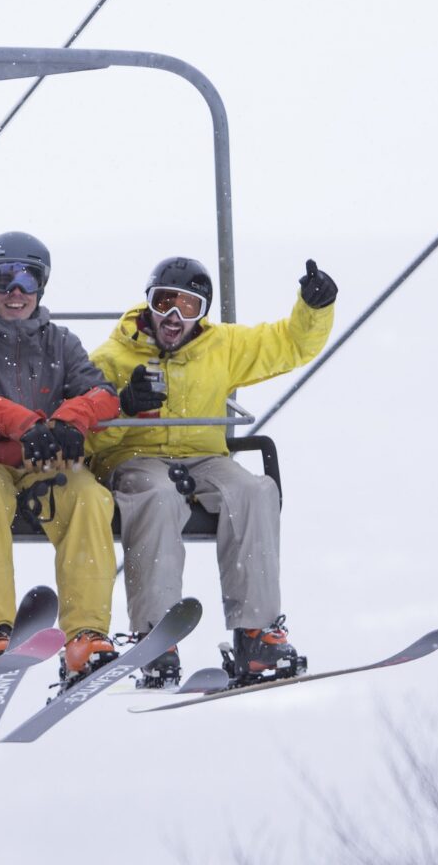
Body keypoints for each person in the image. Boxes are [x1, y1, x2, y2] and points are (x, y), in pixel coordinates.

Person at [88, 256, 337, 685]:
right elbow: (87, 436)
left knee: (256, 490)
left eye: (189, 307)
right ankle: (156, 635)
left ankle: (256, 634)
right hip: (137, 459)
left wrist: (313, 309)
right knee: (158, 495)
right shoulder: (112, 358)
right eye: (164, 302)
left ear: (202, 315)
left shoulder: (220, 347)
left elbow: (288, 344)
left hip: (204, 457)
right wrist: (124, 408)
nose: (173, 317)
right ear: (147, 304)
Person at [0, 232, 122, 688]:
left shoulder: (59, 341)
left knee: (89, 497)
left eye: (27, 280)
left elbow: (102, 394)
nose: (15, 292)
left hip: (42, 462)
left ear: (42, 285)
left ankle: (86, 635)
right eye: (4, 278)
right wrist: (24, 424)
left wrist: (71, 421)